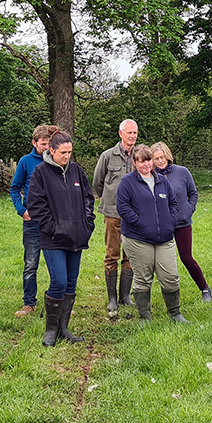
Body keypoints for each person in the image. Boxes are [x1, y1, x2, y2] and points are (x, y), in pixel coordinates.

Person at [25, 131, 94, 346]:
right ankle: (51, 330)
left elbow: (88, 198)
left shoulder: (76, 171)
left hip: (77, 237)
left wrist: (87, 224)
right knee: (59, 281)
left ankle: (64, 328)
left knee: (71, 283)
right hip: (53, 238)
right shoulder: (40, 173)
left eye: (70, 152)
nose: (67, 156)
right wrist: (52, 228)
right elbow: (35, 204)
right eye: (63, 152)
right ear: (51, 151)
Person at [118, 144, 188, 323]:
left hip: (164, 238)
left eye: (148, 160)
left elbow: (173, 203)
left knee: (170, 276)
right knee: (143, 277)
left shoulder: (162, 181)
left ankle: (175, 313)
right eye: (141, 161)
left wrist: (170, 221)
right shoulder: (127, 182)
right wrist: (140, 222)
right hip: (138, 239)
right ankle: (144, 316)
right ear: (134, 162)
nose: (146, 164)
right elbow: (123, 207)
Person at [150, 142, 211, 303]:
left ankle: (204, 287)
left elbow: (194, 193)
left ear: (168, 156)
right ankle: (165, 294)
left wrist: (189, 210)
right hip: (162, 225)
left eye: (162, 157)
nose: (160, 161)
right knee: (159, 261)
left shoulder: (182, 172)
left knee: (186, 258)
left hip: (182, 223)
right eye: (156, 158)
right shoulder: (150, 176)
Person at [10, 124, 59, 317]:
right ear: (34, 143)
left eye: (49, 144)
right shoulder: (26, 162)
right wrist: (21, 210)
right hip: (33, 221)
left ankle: (58, 301)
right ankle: (29, 303)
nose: (46, 148)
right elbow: (15, 188)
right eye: (43, 144)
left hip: (54, 220)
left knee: (56, 263)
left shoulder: (55, 161)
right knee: (31, 263)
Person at [93, 119, 138, 315]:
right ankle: (112, 298)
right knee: (112, 254)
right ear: (121, 134)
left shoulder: (140, 155)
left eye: (135, 133)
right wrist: (108, 199)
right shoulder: (107, 156)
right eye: (129, 133)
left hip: (135, 215)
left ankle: (125, 296)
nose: (132, 136)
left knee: (131, 255)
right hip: (113, 213)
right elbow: (97, 182)